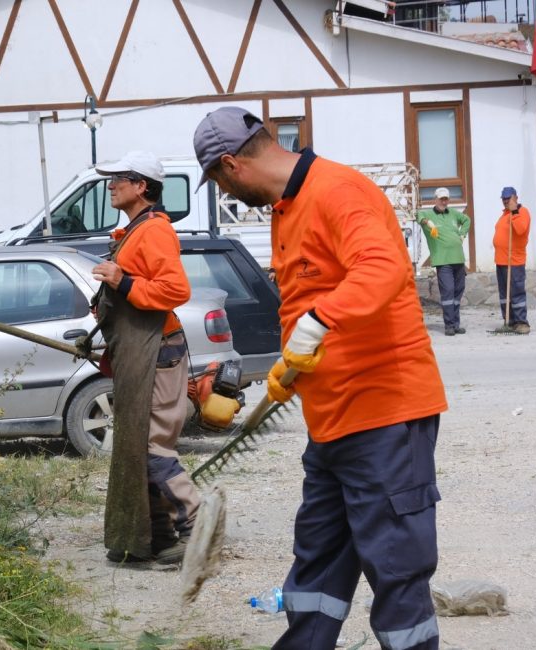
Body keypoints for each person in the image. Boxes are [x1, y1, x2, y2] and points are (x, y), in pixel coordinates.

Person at [194, 107, 447, 650]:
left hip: (385, 414)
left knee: (395, 566)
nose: (227, 195)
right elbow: (314, 296)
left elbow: (383, 269)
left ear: (232, 165)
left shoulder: (337, 191)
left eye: (218, 182)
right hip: (332, 422)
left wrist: (318, 322)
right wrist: (290, 369)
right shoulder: (287, 209)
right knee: (317, 562)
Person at [90, 151, 199, 566]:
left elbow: (175, 291)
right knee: (138, 446)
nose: (111, 184)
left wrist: (123, 280)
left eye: (120, 178)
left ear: (142, 186)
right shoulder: (134, 230)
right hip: (142, 351)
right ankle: (159, 537)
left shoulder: (153, 231)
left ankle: (197, 527)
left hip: (158, 352)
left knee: (151, 447)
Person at [418, 187, 471, 335]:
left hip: (458, 260)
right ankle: (449, 325)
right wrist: (428, 222)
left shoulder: (453, 214)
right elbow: (418, 214)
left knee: (457, 292)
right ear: (435, 199)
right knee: (448, 292)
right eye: (441, 199)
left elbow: (466, 220)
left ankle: (455, 324)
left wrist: (462, 234)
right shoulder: (428, 213)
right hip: (443, 261)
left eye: (446, 199)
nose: (443, 201)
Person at [493, 186, 531, 334]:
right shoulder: (504, 215)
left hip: (514, 261)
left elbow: (520, 229)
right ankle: (509, 320)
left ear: (515, 198)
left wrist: (514, 211)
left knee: (517, 293)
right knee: (504, 295)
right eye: (504, 198)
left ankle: (522, 322)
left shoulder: (522, 212)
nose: (506, 201)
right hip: (501, 261)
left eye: (508, 198)